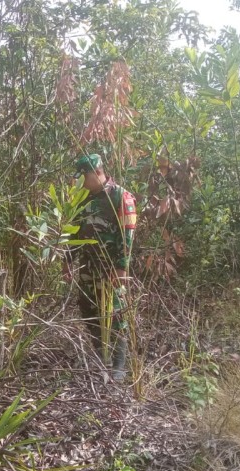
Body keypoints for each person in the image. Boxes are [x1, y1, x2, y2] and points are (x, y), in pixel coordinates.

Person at [63, 153, 137, 381]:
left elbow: (128, 234)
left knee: (115, 313)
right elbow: (73, 232)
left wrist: (121, 269)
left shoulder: (119, 196)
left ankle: (118, 367)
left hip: (111, 267)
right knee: (88, 310)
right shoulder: (82, 199)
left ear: (96, 173)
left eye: (83, 177)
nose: (80, 182)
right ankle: (99, 359)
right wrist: (67, 263)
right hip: (87, 266)